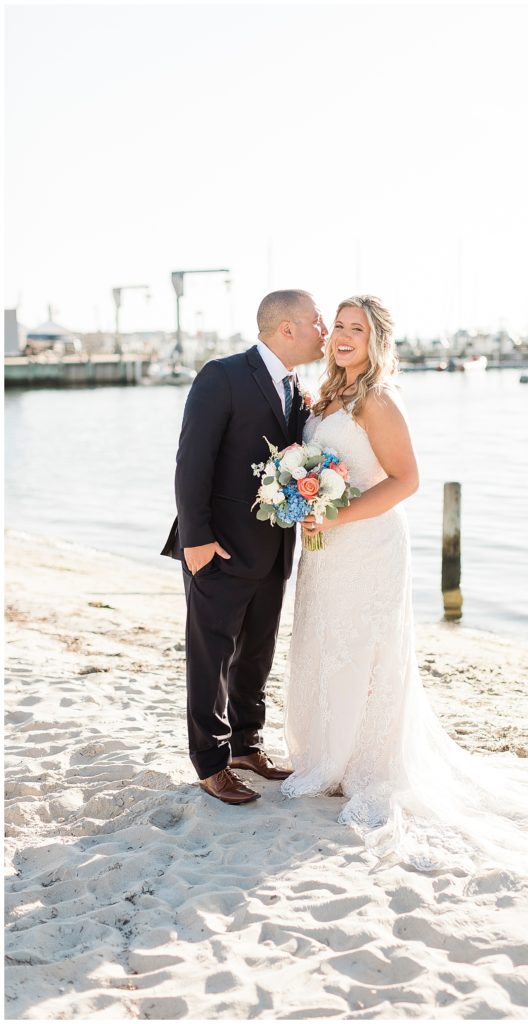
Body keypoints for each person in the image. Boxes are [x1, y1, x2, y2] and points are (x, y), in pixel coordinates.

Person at [281, 295, 528, 891]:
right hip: (328, 544)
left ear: (376, 340)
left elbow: (407, 480)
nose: (341, 336)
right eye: (337, 326)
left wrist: (334, 517)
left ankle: (359, 763)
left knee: (364, 647)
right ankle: (324, 756)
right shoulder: (325, 395)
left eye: (355, 329)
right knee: (323, 639)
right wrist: (308, 500)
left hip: (367, 543)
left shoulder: (379, 399)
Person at [162, 290, 327, 805]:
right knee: (210, 657)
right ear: (286, 329)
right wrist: (198, 541)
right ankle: (210, 763)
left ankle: (245, 746)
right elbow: (192, 461)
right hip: (218, 549)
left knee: (256, 653)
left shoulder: (299, 390)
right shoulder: (223, 375)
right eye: (317, 321)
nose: (324, 329)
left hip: (273, 550)